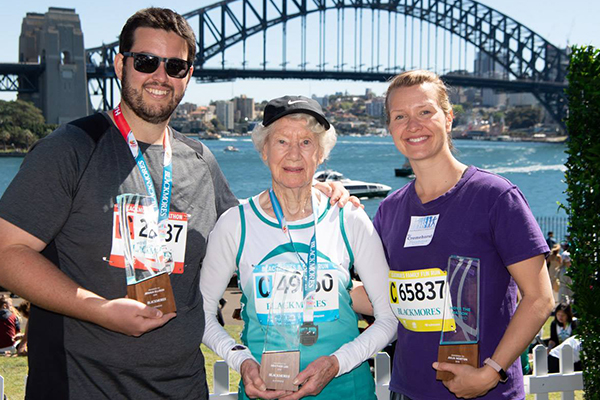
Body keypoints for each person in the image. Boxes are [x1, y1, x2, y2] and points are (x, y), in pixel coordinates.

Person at [0, 8, 352, 399]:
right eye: (146, 61)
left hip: (182, 387)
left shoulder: (200, 161)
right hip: (82, 386)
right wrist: (99, 309)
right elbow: (7, 253)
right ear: (120, 64)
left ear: (188, 76)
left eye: (176, 66)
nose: (160, 76)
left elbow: (251, 231)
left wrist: (310, 192)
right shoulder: (71, 149)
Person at [200, 96, 397, 400]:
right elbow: (202, 312)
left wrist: (336, 363)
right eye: (281, 141)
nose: (294, 153)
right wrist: (242, 360)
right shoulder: (235, 224)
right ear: (264, 150)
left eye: (306, 142)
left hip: (346, 391)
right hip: (264, 392)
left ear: (321, 154)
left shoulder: (349, 218)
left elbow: (389, 318)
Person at [375, 70, 554, 399]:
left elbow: (540, 297)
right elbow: (378, 293)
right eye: (400, 116)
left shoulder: (495, 196)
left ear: (448, 118)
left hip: (485, 391)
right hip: (407, 389)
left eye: (425, 112)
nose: (413, 125)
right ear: (390, 129)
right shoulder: (390, 210)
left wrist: (492, 371)